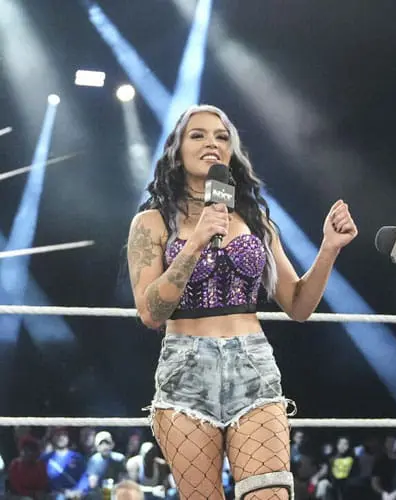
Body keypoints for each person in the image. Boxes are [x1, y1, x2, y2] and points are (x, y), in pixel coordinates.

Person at [126, 104, 358, 500]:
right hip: (186, 370)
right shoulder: (151, 222)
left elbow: (298, 305)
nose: (212, 143)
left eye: (221, 136)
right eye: (198, 135)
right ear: (176, 151)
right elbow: (150, 313)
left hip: (252, 363)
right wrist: (196, 241)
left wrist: (329, 249)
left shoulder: (255, 220)